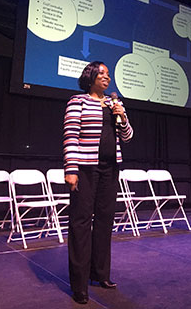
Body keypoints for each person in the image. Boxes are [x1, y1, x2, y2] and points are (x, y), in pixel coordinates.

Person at [63, 61, 133, 305]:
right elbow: (71, 135)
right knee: (81, 223)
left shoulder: (115, 104)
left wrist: (122, 117)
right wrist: (71, 169)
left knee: (105, 222)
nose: (107, 77)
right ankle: (79, 284)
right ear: (90, 77)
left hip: (109, 170)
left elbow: (127, 136)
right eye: (101, 73)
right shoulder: (78, 101)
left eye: (108, 74)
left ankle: (100, 274)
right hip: (84, 169)